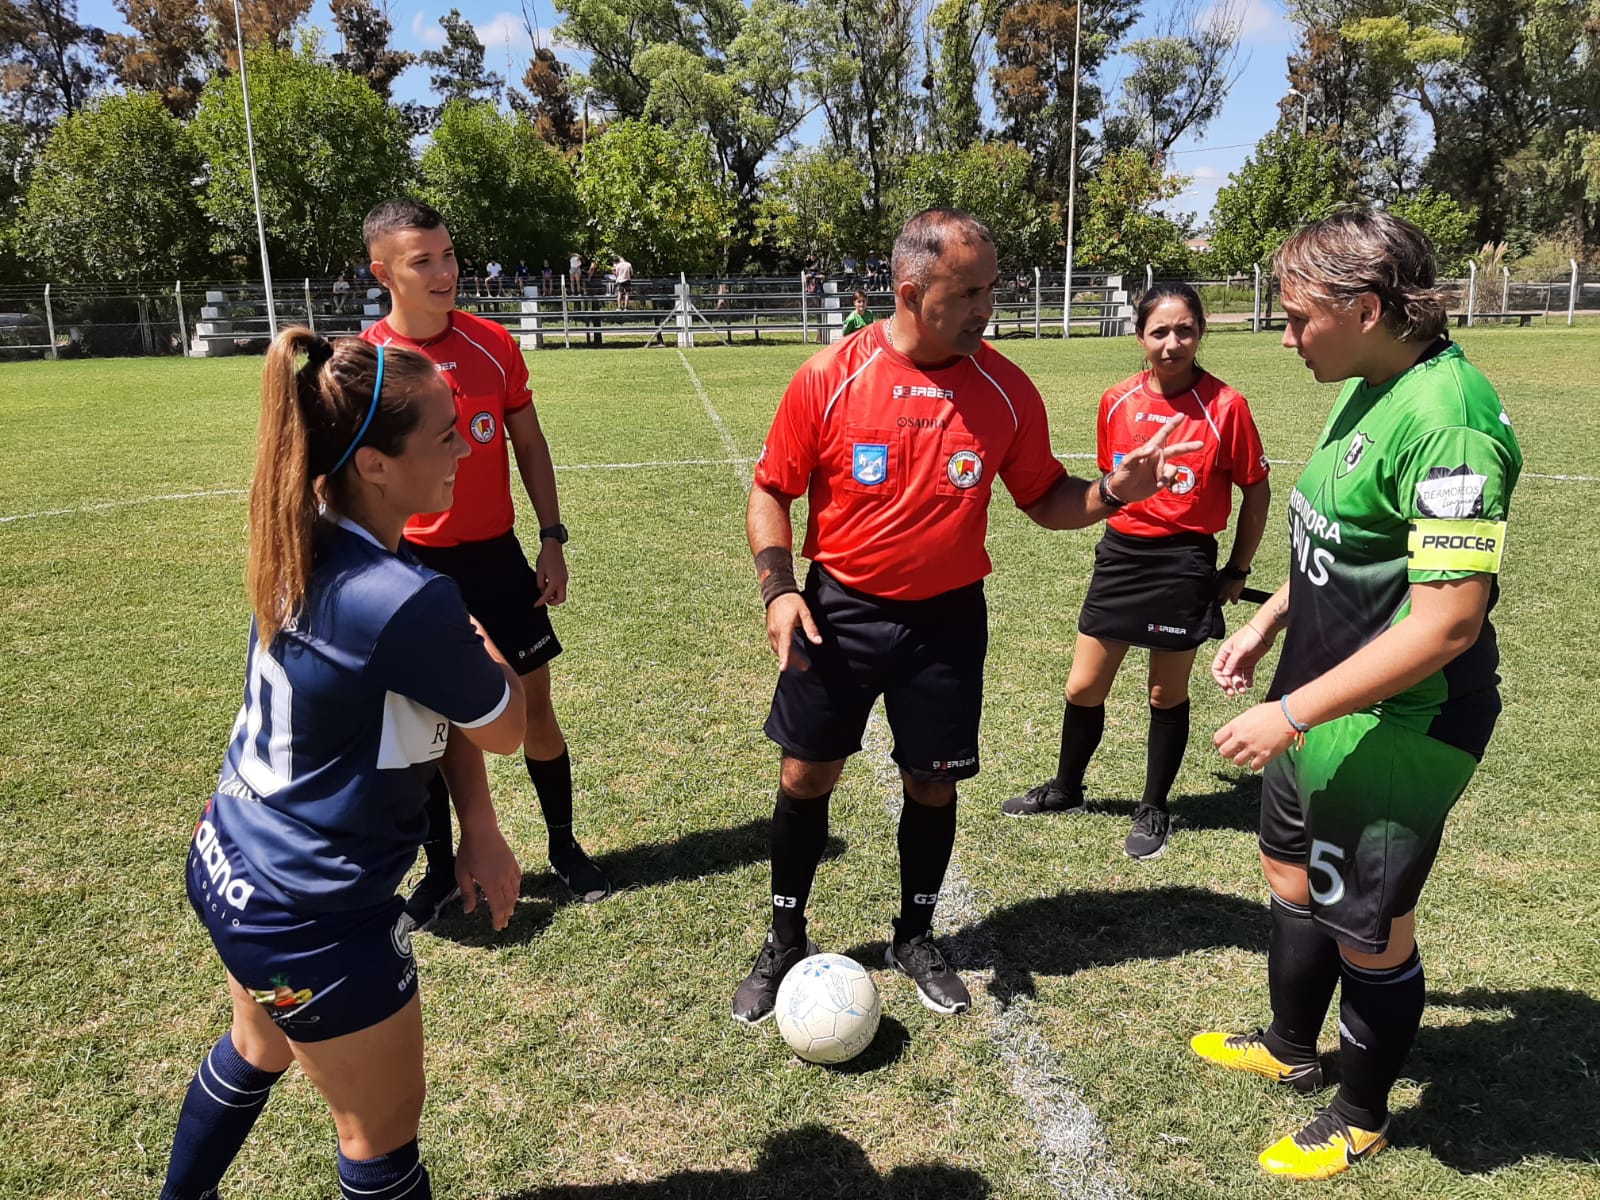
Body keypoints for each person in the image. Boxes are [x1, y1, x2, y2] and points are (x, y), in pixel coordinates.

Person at [731, 208, 1201, 1025]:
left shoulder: (1006, 390)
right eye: (971, 291)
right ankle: (784, 936)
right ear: (912, 291)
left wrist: (1112, 493)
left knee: (933, 781)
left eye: (992, 288)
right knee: (806, 775)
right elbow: (771, 488)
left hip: (946, 622)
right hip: (837, 610)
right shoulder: (831, 375)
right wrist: (780, 589)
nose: (989, 307)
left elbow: (1046, 498)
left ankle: (915, 936)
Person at [160, 328, 527, 1200]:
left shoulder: (306, 530)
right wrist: (474, 629)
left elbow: (426, 702)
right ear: (373, 464)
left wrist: (478, 823)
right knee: (379, 1136)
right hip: (312, 913)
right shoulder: (403, 600)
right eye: (445, 435)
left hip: (232, 859)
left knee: (257, 1045)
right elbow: (506, 724)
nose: (465, 452)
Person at [1192, 210, 1522, 1179]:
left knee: (1369, 934)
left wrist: (1291, 711)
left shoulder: (1448, 420)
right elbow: (1337, 534)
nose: (1285, 337)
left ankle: (1359, 1115)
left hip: (1399, 724)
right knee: (1290, 876)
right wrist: (1267, 623)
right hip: (1319, 701)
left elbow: (1446, 624)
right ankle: (1290, 1047)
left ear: (1368, 309)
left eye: (1299, 318)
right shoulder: (1369, 382)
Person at [362, 198, 612, 924]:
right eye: (423, 261)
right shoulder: (368, 364)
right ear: (383, 274)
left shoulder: (493, 343)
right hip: (410, 566)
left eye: (448, 255)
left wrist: (552, 536)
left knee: (534, 710)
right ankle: (441, 871)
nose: (444, 272)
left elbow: (528, 443)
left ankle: (563, 846)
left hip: (496, 560)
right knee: (425, 726)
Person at [1003, 282, 1270, 859]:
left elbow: (1256, 489)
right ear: (1139, 336)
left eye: (1185, 330)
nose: (1173, 343)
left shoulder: (1227, 406)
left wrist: (1237, 567)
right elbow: (1112, 484)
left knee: (1164, 693)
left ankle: (1153, 806)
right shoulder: (1116, 400)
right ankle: (1067, 788)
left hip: (1184, 562)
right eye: (1159, 331)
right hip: (1121, 556)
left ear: (1201, 333)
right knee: (1083, 686)